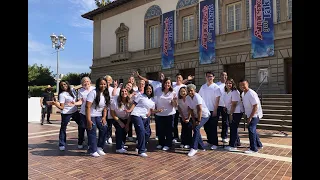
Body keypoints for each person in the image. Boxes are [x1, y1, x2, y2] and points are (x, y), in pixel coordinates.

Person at [126, 84, 157, 157]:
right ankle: (141, 151)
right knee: (141, 131)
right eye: (147, 89)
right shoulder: (141, 95)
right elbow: (134, 103)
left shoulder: (153, 99)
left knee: (148, 133)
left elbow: (151, 110)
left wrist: (158, 111)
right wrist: (130, 110)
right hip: (136, 114)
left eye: (150, 89)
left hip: (145, 116)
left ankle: (139, 146)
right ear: (145, 90)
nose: (149, 90)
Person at [52, 81, 82, 151]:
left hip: (75, 111)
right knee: (63, 128)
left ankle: (80, 142)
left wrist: (75, 103)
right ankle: (62, 144)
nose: (63, 86)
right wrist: (55, 104)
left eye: (64, 84)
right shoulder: (62, 94)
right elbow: (62, 107)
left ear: (67, 84)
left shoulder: (72, 90)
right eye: (61, 85)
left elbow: (76, 99)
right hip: (66, 113)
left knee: (81, 125)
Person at [86, 77, 111, 157]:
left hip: (99, 115)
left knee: (104, 128)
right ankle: (92, 150)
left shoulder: (106, 94)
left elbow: (105, 107)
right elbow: (87, 107)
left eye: (104, 84)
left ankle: (99, 147)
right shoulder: (93, 93)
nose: (103, 86)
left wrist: (104, 117)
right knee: (92, 130)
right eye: (101, 84)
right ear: (97, 84)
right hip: (91, 115)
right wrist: (89, 120)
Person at [185, 84, 211, 157]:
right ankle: (202, 146)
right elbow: (191, 109)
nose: (190, 92)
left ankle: (194, 148)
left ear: (195, 90)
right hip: (196, 115)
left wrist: (198, 121)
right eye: (189, 91)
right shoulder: (187, 98)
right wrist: (193, 120)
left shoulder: (197, 97)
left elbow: (199, 109)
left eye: (191, 91)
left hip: (204, 115)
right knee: (195, 128)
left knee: (197, 127)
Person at [239, 79, 263, 154]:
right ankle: (259, 144)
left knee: (251, 129)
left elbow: (255, 106)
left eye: (244, 85)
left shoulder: (251, 93)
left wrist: (250, 117)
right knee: (253, 130)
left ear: (247, 84)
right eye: (240, 85)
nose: (242, 86)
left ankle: (253, 149)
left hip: (255, 114)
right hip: (249, 114)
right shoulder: (243, 93)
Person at [198, 71, 221, 150]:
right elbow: (199, 97)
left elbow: (217, 100)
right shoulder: (203, 87)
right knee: (206, 127)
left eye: (211, 76)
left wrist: (215, 110)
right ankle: (209, 141)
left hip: (213, 110)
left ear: (213, 77)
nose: (209, 78)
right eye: (208, 76)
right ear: (206, 77)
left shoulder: (216, 87)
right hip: (205, 111)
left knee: (213, 127)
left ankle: (215, 143)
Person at [154, 77, 178, 151]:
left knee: (169, 130)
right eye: (166, 82)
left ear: (170, 84)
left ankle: (168, 144)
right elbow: (154, 101)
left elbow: (175, 105)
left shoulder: (173, 92)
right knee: (161, 130)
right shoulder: (158, 90)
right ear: (163, 83)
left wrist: (173, 101)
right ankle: (161, 143)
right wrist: (155, 110)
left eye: (169, 83)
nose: (167, 84)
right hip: (159, 114)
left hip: (169, 114)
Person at [72, 77, 95, 149]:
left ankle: (90, 143)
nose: (86, 83)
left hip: (92, 112)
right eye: (84, 82)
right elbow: (81, 101)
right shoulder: (81, 91)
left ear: (90, 82)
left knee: (90, 129)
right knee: (81, 127)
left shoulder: (94, 89)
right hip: (83, 112)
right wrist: (75, 103)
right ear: (82, 84)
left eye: (87, 81)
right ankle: (80, 142)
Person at [223, 78, 243, 151]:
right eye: (227, 83)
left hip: (236, 112)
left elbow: (234, 104)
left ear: (233, 84)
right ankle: (237, 142)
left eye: (230, 83)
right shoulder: (226, 92)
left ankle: (233, 146)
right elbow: (228, 102)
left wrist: (231, 114)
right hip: (230, 111)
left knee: (233, 128)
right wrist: (226, 107)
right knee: (233, 127)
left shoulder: (234, 92)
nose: (229, 85)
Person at [110, 87, 132, 153]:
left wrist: (127, 124)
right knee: (120, 130)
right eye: (122, 91)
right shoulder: (115, 101)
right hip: (117, 118)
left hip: (127, 118)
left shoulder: (130, 101)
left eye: (125, 91)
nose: (124, 93)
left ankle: (122, 144)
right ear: (120, 93)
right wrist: (119, 122)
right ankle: (118, 148)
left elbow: (131, 114)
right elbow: (112, 113)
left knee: (125, 131)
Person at [104, 75, 120, 145]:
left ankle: (109, 136)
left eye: (109, 80)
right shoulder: (102, 88)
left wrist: (116, 86)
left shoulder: (112, 89)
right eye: (106, 80)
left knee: (110, 124)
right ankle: (105, 137)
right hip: (103, 109)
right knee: (104, 124)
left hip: (110, 109)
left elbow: (114, 96)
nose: (108, 82)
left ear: (111, 81)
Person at [172, 73, 186, 143]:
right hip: (174, 108)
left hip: (182, 107)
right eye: (177, 77)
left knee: (183, 123)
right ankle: (175, 136)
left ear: (182, 79)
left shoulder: (184, 86)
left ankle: (183, 137)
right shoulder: (173, 86)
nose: (178, 79)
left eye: (180, 78)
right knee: (174, 123)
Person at [216, 72, 229, 143]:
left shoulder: (228, 85)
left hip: (225, 106)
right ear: (220, 76)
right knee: (215, 122)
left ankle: (224, 136)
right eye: (223, 75)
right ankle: (214, 137)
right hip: (217, 106)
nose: (224, 77)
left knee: (225, 122)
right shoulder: (217, 85)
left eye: (226, 75)